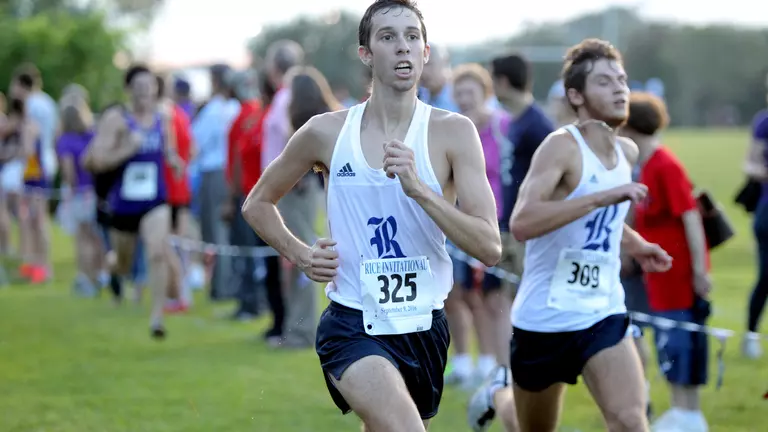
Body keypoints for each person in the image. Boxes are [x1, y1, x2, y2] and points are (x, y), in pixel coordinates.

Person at [242, 1, 501, 430]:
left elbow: (489, 246)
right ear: (366, 53)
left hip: (424, 324)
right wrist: (302, 254)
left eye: (412, 37)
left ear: (426, 52)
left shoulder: (454, 132)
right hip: (351, 320)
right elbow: (258, 202)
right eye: (388, 37)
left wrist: (420, 191)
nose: (403, 47)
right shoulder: (326, 131)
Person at [467, 38, 672, 432]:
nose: (619, 89)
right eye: (604, 82)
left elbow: (604, 218)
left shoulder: (627, 152)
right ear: (575, 95)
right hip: (545, 320)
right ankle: (498, 394)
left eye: (622, 80)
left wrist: (637, 244)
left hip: (602, 310)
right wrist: (603, 197)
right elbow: (524, 222)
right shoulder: (560, 148)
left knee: (632, 420)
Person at [622, 92, 711, 432]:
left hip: (677, 275)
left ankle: (689, 413)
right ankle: (679, 411)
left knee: (680, 341)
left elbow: (690, 220)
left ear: (632, 127)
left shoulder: (665, 165)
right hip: (656, 275)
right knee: (665, 341)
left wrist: (700, 272)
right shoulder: (644, 166)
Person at [83, 64, 180, 339]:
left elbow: (168, 150)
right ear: (129, 90)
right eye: (138, 89)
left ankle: (157, 318)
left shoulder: (165, 116)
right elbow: (97, 161)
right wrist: (127, 149)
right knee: (122, 264)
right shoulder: (117, 119)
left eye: (148, 88)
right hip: (123, 204)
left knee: (157, 251)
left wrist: (174, 162)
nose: (144, 95)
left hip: (154, 200)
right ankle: (112, 269)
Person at [445, 62, 511, 388]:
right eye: (459, 93)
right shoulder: (453, 129)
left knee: (487, 296)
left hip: (495, 222)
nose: (464, 98)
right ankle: (463, 362)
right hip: (458, 221)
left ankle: (491, 362)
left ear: (485, 93)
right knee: (456, 293)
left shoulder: (502, 127)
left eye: (470, 92)